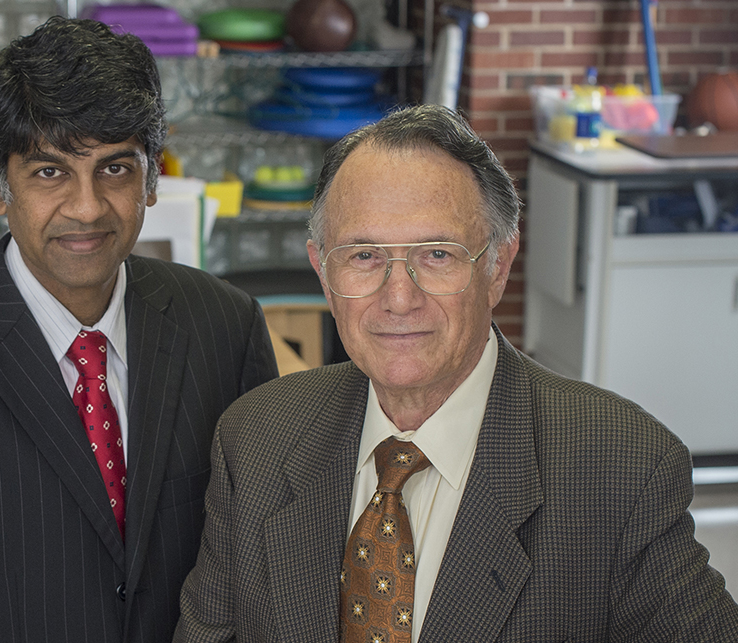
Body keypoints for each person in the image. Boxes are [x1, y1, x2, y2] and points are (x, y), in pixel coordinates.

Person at [175, 104, 738, 642]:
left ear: (498, 266)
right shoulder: (255, 440)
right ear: (325, 273)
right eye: (364, 255)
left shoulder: (619, 469)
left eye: (437, 254)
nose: (398, 298)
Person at [0, 17, 279, 643]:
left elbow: (260, 572)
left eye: (115, 169)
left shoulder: (225, 328)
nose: (87, 207)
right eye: (49, 172)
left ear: (151, 179)